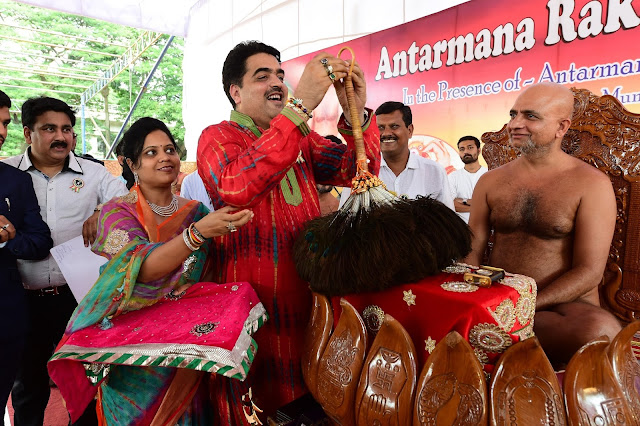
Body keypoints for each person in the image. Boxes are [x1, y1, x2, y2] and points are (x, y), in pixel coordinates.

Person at [197, 40, 380, 420]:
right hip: (256, 305)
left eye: (280, 74)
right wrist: (300, 109)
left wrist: (356, 114)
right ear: (236, 91)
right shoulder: (217, 137)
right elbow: (235, 188)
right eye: (262, 76)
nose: (277, 82)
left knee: (314, 395)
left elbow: (360, 171)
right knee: (263, 406)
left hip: (310, 298)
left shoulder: (302, 139)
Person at [48, 117, 259, 425]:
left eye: (169, 149)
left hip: (188, 351)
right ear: (131, 163)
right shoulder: (117, 212)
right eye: (151, 152)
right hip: (133, 357)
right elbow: (142, 269)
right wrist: (196, 234)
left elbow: (209, 276)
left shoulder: (197, 212)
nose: (164, 157)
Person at [466, 82, 621, 365]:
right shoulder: (490, 181)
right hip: (498, 298)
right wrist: (469, 294)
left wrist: (527, 305)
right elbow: (472, 250)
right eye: (514, 114)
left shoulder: (592, 184)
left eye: (531, 116)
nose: (515, 124)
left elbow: (589, 271)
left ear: (561, 127)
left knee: (600, 331)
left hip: (561, 309)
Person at [1, 96, 128, 426]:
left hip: (77, 299)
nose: (61, 137)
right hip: (23, 298)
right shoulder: (8, 174)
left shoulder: (94, 174)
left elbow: (130, 199)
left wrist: (103, 210)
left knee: (82, 381)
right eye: (49, 129)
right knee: (28, 385)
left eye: (67, 129)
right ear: (28, 134)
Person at [0, 90, 53, 421]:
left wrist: (8, 238)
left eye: (4, 123)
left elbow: (40, 240)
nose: (1, 132)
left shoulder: (15, 181)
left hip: (5, 321)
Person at [339, 101, 454, 208]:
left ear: (410, 130)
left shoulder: (434, 172)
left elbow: (448, 223)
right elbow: (345, 220)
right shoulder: (361, 172)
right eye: (380, 128)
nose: (386, 133)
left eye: (394, 126)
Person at [448, 135, 487, 223]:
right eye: (462, 149)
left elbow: (493, 204)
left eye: (470, 148)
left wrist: (462, 200)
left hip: (487, 229)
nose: (466, 151)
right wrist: (480, 207)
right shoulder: (453, 177)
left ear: (479, 150)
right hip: (461, 230)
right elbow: (451, 205)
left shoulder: (489, 174)